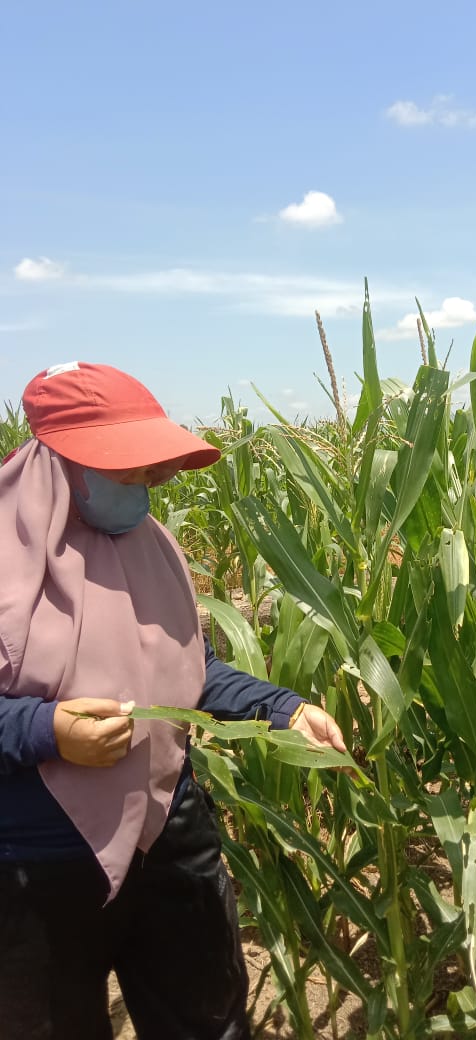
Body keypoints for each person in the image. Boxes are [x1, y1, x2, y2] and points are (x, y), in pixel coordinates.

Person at [0, 361, 347, 1040]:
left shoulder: (148, 546)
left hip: (168, 831)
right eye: (131, 467)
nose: (154, 483)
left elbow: (189, 668)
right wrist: (46, 730)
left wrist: (281, 708)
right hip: (35, 863)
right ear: (57, 462)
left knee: (205, 1021)